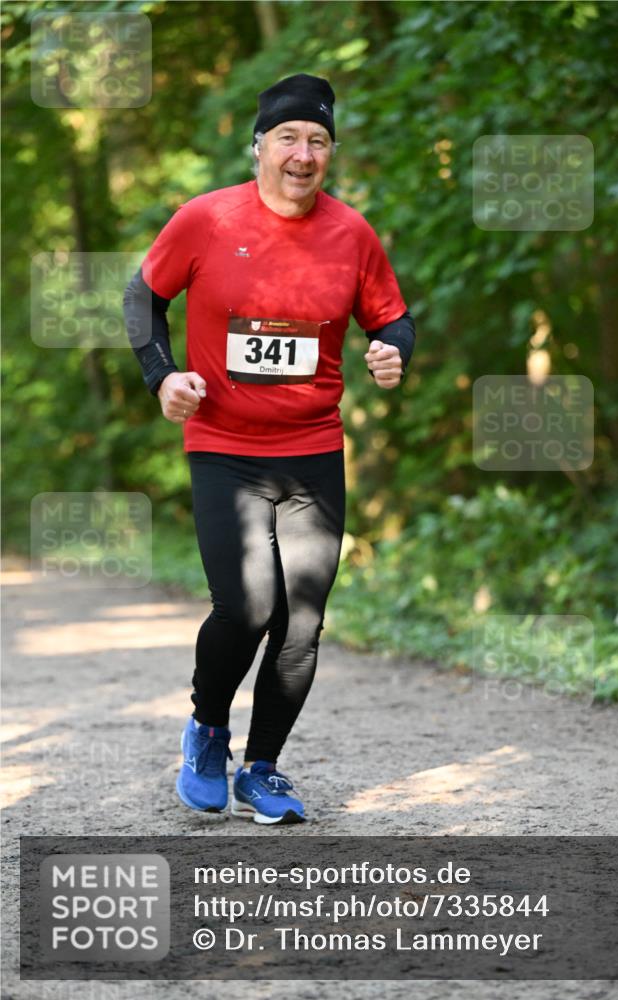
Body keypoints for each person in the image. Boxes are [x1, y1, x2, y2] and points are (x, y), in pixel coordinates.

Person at [124, 73, 415, 825]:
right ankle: (207, 730)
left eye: (317, 140)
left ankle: (263, 769)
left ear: (330, 154)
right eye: (288, 137)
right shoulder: (205, 220)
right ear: (258, 147)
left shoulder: (351, 234)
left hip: (312, 447)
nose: (302, 152)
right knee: (247, 606)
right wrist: (162, 377)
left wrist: (389, 349)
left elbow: (391, 316)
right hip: (224, 444)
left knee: (303, 623)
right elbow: (142, 295)